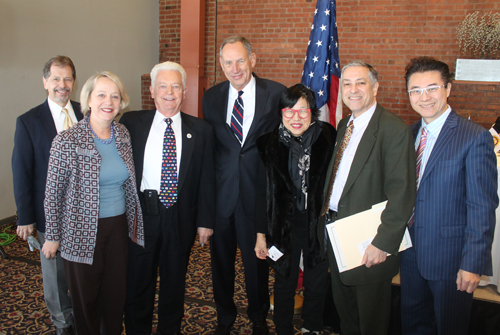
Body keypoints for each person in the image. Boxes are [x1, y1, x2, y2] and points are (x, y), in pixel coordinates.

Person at [400, 56, 498, 335]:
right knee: (414, 325)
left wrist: (472, 264)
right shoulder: (408, 135)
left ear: (448, 89)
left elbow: (482, 205)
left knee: (449, 327)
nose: (424, 97)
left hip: (450, 259)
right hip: (410, 255)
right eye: (415, 90)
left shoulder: (473, 137)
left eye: (432, 88)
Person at [41, 71, 145, 335]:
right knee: (86, 300)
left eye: (114, 96)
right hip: (80, 230)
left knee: (114, 296)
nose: (108, 101)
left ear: (121, 102)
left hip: (119, 228)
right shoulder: (66, 140)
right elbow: (52, 193)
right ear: (87, 99)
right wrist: (52, 236)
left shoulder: (122, 134)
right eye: (101, 94)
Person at [317, 61, 416, 335]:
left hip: (368, 242)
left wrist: (382, 242)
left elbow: (402, 193)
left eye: (361, 82)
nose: (353, 89)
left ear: (375, 87)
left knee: (370, 320)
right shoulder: (344, 124)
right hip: (337, 233)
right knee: (346, 312)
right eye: (347, 83)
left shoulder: (393, 129)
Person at [120, 61, 215, 335]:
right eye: (163, 86)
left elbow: (207, 179)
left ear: (185, 91)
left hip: (181, 218)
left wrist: (205, 221)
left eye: (176, 86)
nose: (169, 92)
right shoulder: (131, 123)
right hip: (141, 216)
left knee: (174, 285)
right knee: (138, 283)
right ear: (152, 90)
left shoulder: (201, 130)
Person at [202, 35, 287, 335]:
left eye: (240, 60)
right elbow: (210, 151)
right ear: (221, 64)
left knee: (257, 266)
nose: (235, 68)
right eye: (228, 62)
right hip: (222, 197)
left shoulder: (276, 94)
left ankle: (258, 317)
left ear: (253, 59)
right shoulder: (210, 97)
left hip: (257, 198)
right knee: (220, 265)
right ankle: (224, 318)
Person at [254, 84, 336, 334]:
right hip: (283, 225)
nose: (296, 117)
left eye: (303, 111)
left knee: (316, 281)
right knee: (284, 282)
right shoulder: (267, 143)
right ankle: (283, 327)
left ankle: (312, 326)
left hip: (318, 224)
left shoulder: (329, 137)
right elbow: (261, 193)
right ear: (281, 113)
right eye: (289, 111)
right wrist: (260, 235)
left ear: (313, 112)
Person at [12, 55, 82, 335]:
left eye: (67, 79)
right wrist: (26, 216)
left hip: (88, 211)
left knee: (83, 270)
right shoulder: (28, 121)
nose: (62, 85)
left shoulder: (89, 112)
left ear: (74, 82)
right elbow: (22, 172)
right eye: (56, 78)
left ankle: (84, 314)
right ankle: (63, 323)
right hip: (48, 214)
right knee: (55, 275)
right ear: (45, 82)